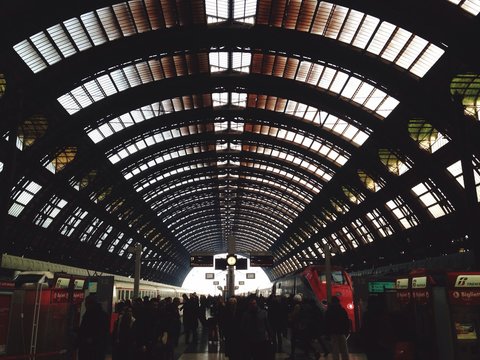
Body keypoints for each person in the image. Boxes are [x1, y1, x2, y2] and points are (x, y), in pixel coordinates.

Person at [77, 294, 109, 360]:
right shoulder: (103, 315)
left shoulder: (89, 315)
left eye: (86, 303)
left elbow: (84, 330)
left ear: (91, 304)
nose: (85, 305)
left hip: (89, 349)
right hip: (97, 350)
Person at [325, 296, 350, 360]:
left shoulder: (329, 311)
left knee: (335, 349)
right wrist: (346, 330)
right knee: (344, 348)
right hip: (341, 331)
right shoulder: (342, 310)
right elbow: (346, 321)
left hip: (333, 332)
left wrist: (327, 333)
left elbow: (327, 323)